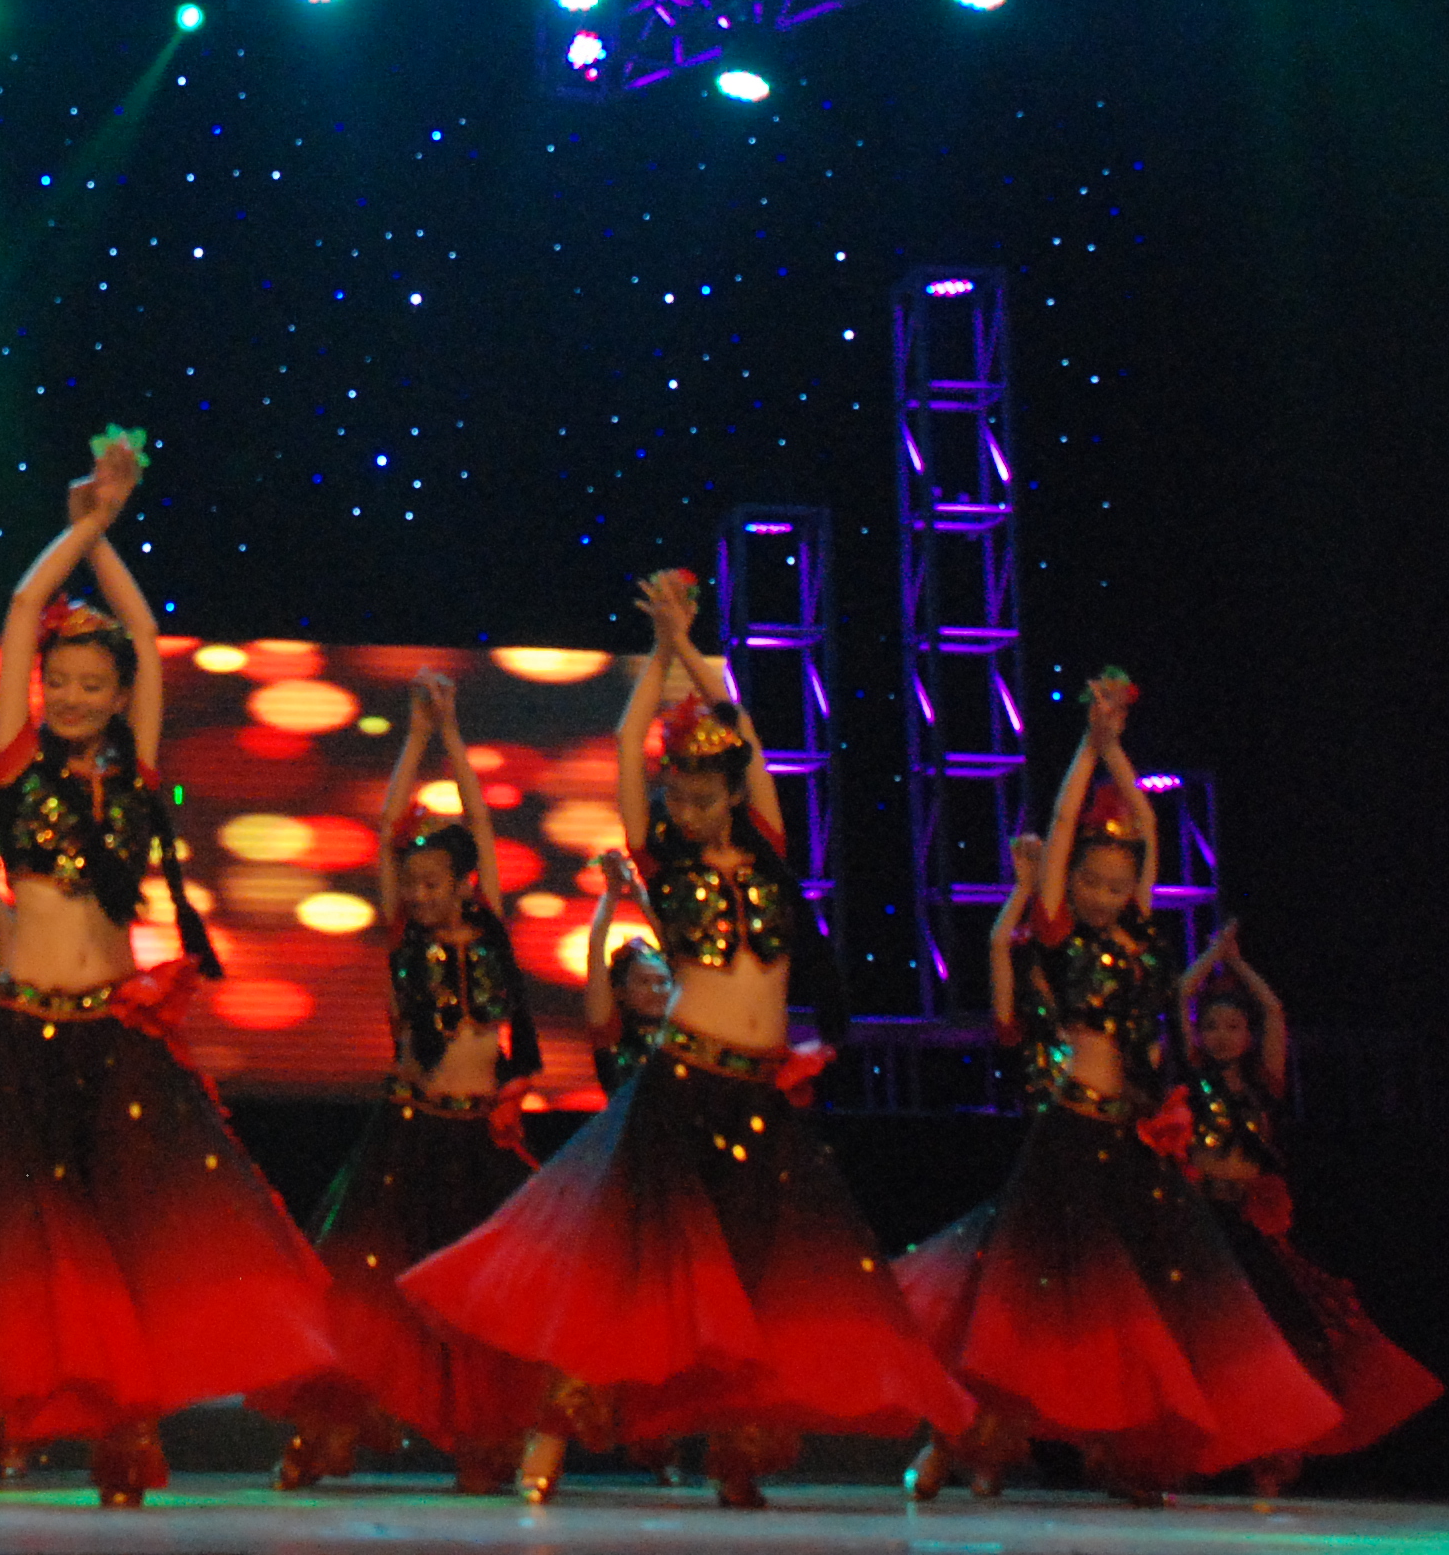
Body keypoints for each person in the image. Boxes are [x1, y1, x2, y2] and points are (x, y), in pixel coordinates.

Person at [0, 432, 337, 1506]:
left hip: (114, 1034)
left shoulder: (135, 772)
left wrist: (109, 532)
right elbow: (21, 606)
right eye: (59, 680)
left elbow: (144, 632)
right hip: (23, 1032)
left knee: (127, 1239)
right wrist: (86, 523)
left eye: (92, 684)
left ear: (116, 693)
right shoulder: (16, 766)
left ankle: (123, 1429)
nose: (70, 695)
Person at [404, 568, 972, 1505]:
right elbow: (625, 748)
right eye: (680, 795)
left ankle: (736, 1450)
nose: (690, 808)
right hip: (680, 1083)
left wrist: (696, 653)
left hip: (756, 1092)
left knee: (750, 1281)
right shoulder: (661, 867)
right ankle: (552, 1431)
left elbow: (744, 730)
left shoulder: (771, 857)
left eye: (707, 794)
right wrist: (660, 653)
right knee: (630, 1271)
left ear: (733, 793)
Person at [893, 674, 1339, 1503]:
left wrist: (1115, 746)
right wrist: (1083, 749)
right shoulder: (1059, 933)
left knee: (1137, 1305)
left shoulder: (1141, 935)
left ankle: (1130, 1452)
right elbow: (1065, 824)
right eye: (1090, 882)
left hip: (1128, 1138)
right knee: (1014, 1302)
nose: (1102, 894)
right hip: (1065, 1134)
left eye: (1116, 884)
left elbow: (1146, 824)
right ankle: (950, 1444)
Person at [255, 671, 551, 1494]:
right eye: (411, 884)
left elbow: (480, 824)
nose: (419, 895)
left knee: (478, 1296)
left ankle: (483, 1441)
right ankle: (323, 1435)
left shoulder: (489, 931)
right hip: (411, 1133)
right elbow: (389, 828)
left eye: (432, 884)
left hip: (478, 1135)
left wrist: (451, 733)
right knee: (372, 1292)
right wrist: (415, 737)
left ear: (463, 884)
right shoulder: (403, 941)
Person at [1177, 919, 1441, 1491]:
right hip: (1202, 1224)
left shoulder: (1263, 1085)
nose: (1221, 1036)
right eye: (1212, 1026)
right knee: (1197, 1337)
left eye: (1233, 1026)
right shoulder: (1195, 1080)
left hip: (1248, 1223)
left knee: (1268, 1337)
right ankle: (1183, 1456)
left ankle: (1271, 1456)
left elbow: (1274, 1011)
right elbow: (1181, 994)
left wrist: (1237, 965)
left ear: (1248, 1036)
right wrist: (1210, 957)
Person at [580, 848, 675, 1100]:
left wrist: (640, 894)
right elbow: (596, 947)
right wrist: (612, 893)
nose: (655, 990)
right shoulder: (611, 1030)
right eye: (643, 982)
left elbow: (676, 952)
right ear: (621, 991)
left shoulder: (681, 1027)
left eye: (663, 982)